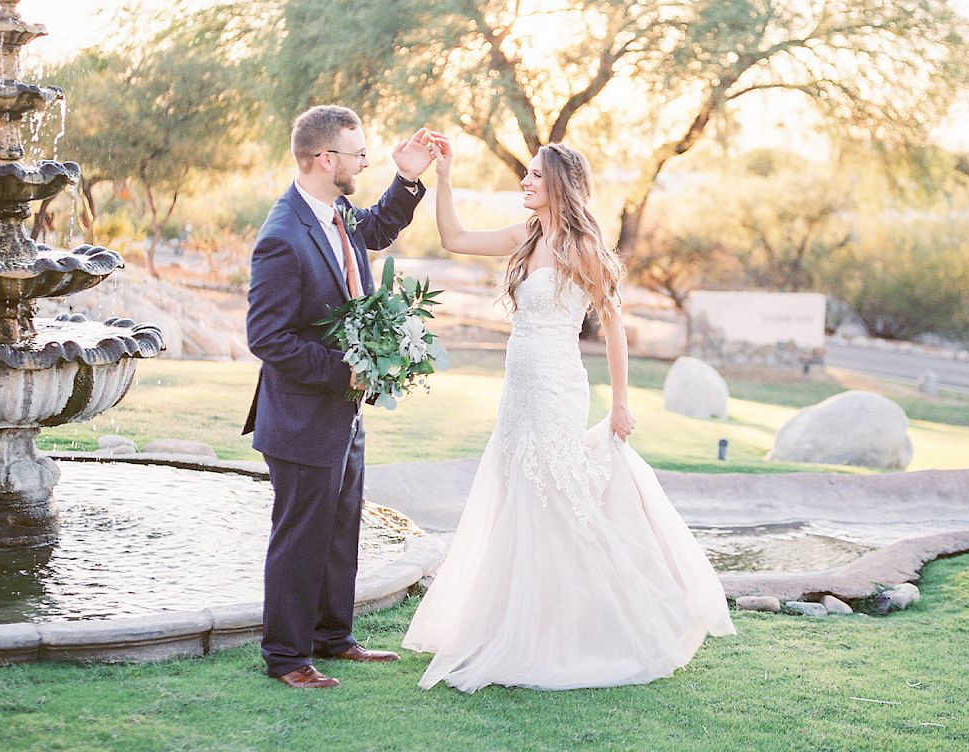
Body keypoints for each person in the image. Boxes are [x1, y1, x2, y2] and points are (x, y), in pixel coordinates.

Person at [402, 137, 735, 692]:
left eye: (535, 176)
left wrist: (621, 403)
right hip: (520, 389)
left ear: (559, 184)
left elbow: (614, 330)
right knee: (518, 493)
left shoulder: (583, 249)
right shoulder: (525, 237)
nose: (526, 182)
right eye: (526, 174)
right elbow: (454, 238)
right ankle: (521, 622)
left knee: (557, 499)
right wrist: (444, 176)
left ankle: (604, 623)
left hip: (557, 387)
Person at [244, 105, 435, 688]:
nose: (364, 162)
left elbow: (375, 229)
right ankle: (286, 658)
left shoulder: (337, 211)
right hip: (302, 414)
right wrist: (345, 371)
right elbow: (267, 338)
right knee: (300, 537)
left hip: (341, 413)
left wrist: (406, 180)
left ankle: (332, 637)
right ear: (326, 159)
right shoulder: (281, 237)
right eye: (359, 155)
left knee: (340, 526)